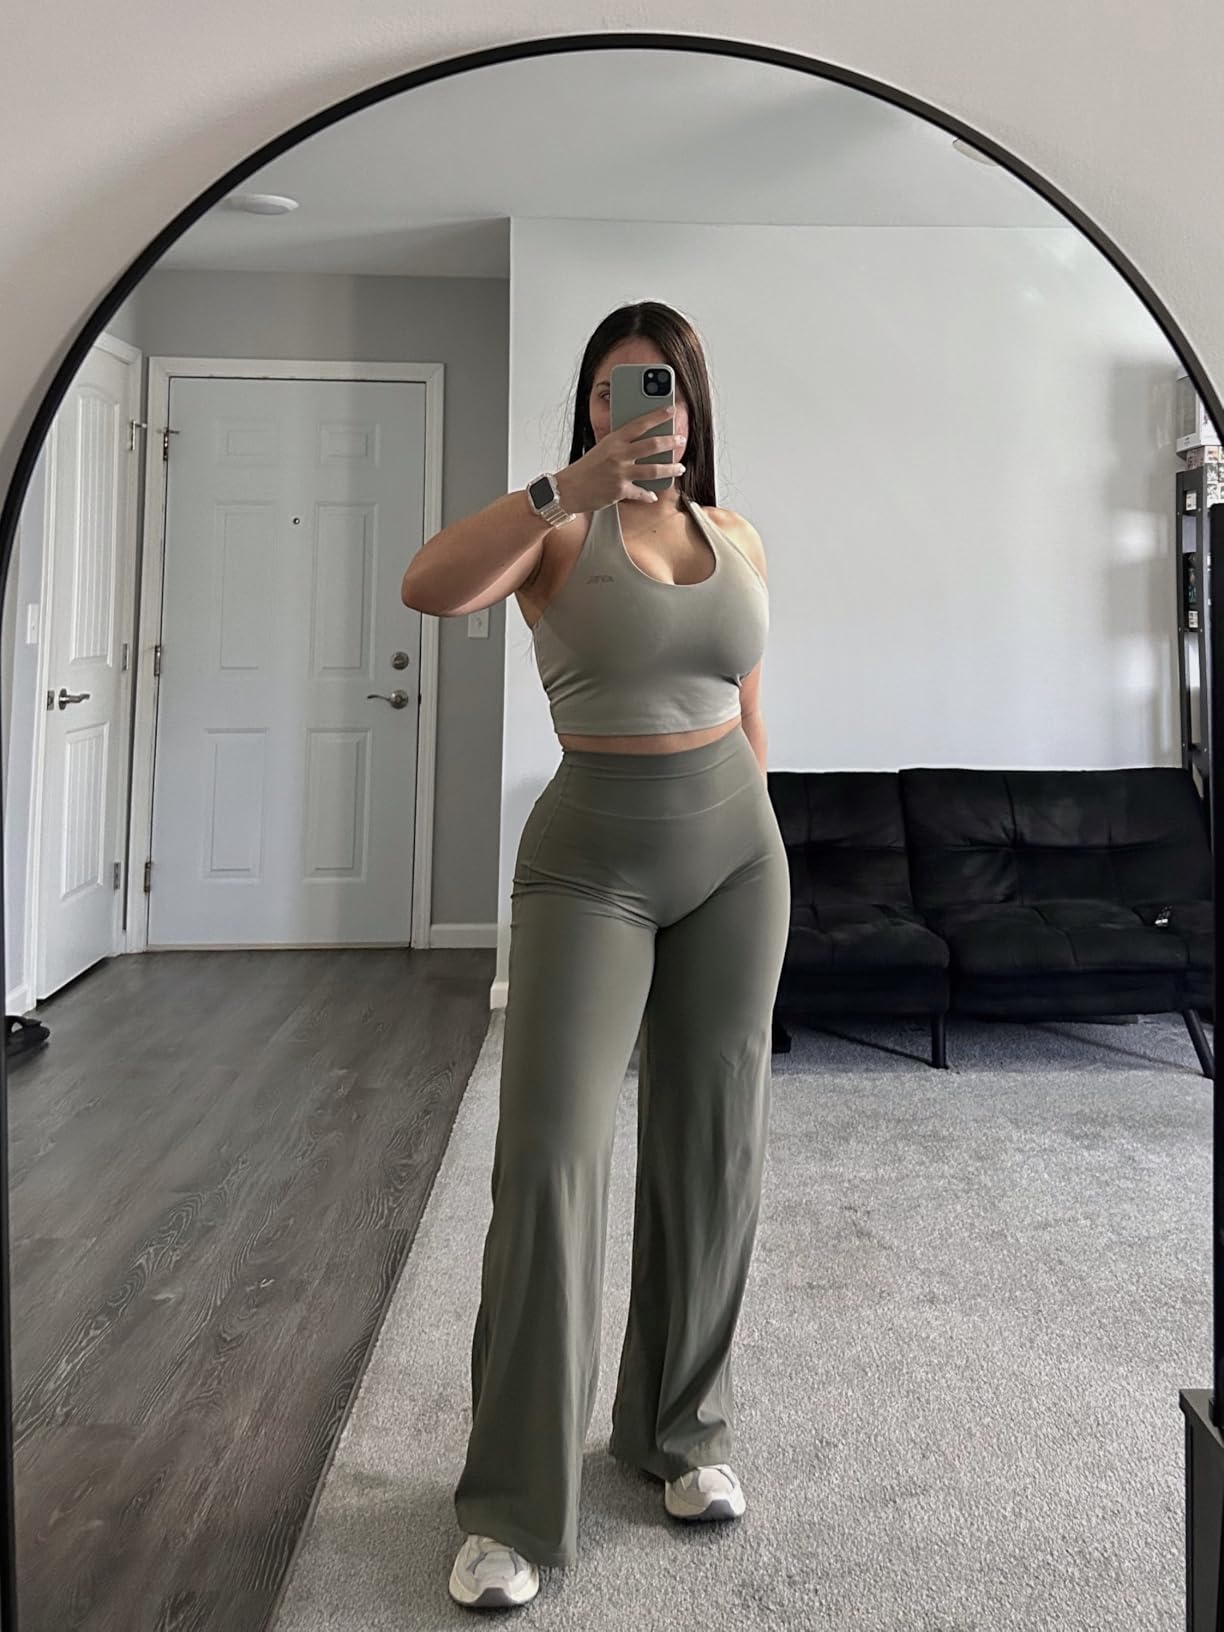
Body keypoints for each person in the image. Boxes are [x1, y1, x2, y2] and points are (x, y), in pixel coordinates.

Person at [399, 301, 791, 1612]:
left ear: (694, 402)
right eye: (620, 387)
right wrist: (560, 488)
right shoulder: (554, 531)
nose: (645, 407)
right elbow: (428, 586)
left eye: (665, 383)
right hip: (589, 868)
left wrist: (763, 843)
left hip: (737, 861)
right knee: (550, 1162)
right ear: (590, 406)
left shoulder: (738, 537)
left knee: (714, 1146)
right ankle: (512, 1504)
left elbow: (747, 711)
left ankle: (680, 1435)